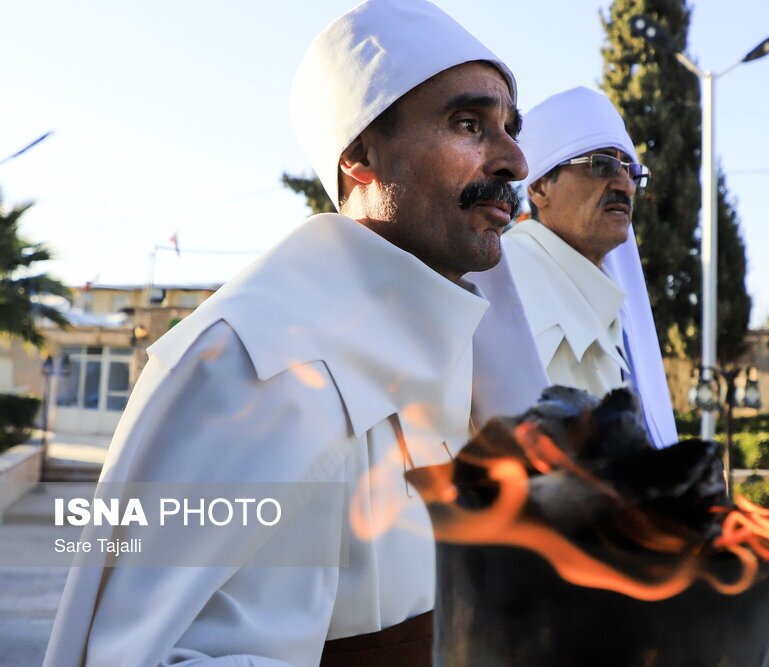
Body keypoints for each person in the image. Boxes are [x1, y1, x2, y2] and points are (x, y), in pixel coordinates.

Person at [43, 1, 546, 665]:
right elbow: (139, 654)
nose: (514, 159)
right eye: (468, 123)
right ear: (361, 155)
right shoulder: (252, 363)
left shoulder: (444, 346)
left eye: (510, 128)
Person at [502, 86, 678, 446]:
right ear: (538, 188)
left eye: (632, 171)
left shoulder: (612, 303)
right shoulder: (502, 276)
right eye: (602, 164)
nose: (624, 184)